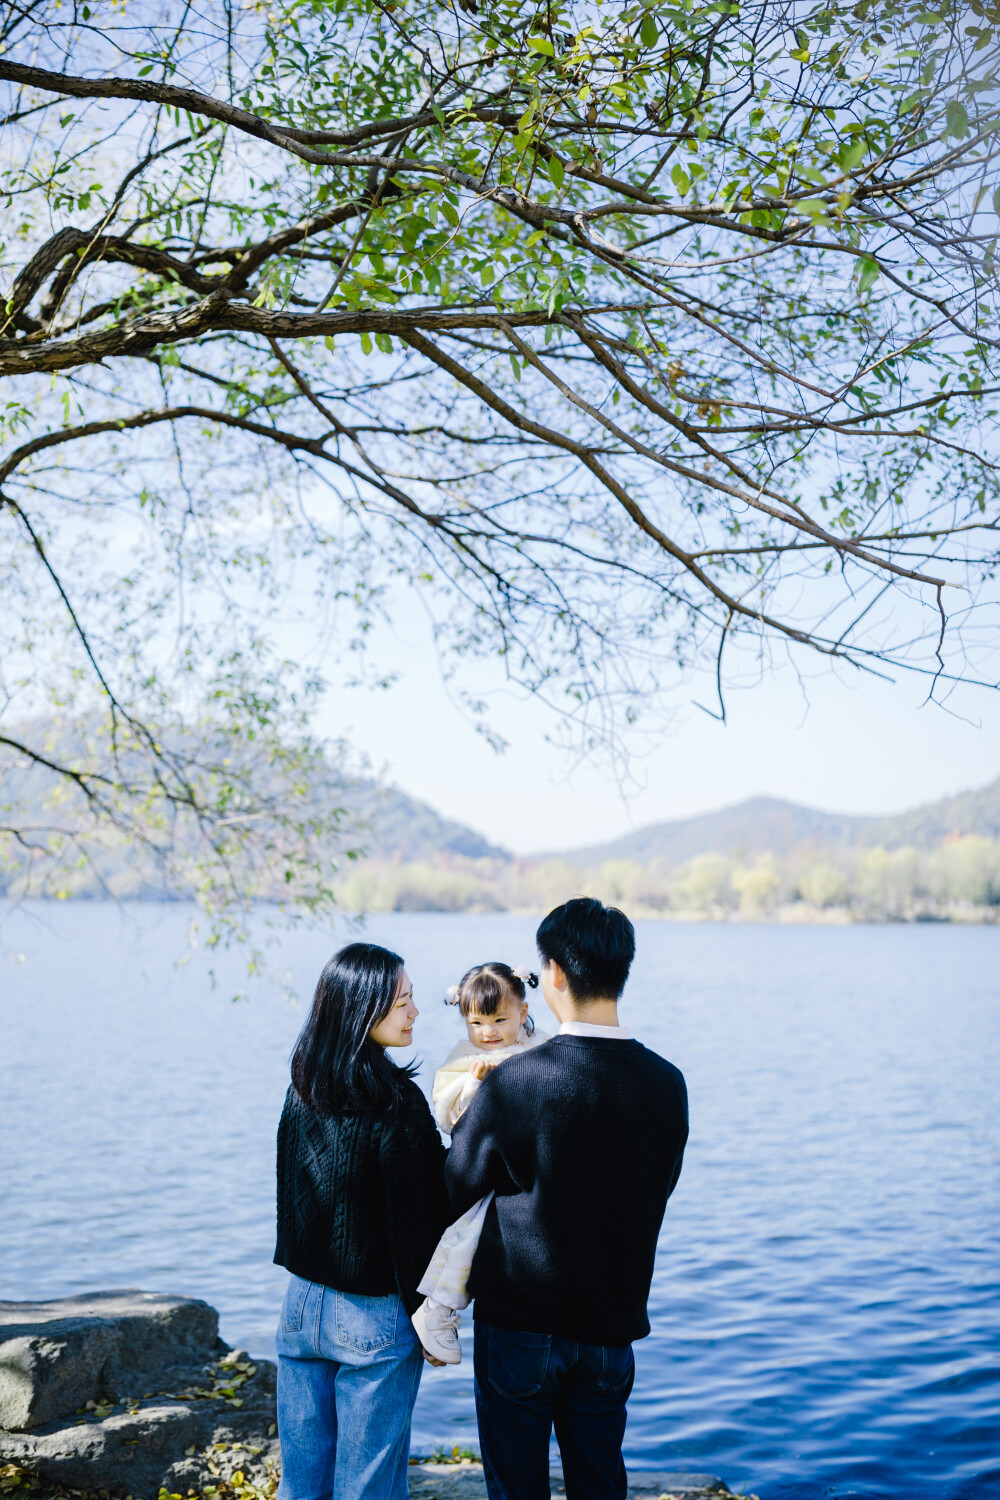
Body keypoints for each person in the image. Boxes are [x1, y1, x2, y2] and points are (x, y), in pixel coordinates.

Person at [445, 898, 689, 1500]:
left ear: (553, 973)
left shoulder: (515, 1081)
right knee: (600, 1480)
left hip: (520, 1324)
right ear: (621, 970)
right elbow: (661, 1184)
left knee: (517, 1487)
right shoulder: (668, 1083)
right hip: (612, 1325)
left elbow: (454, 1185)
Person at [273, 942, 449, 1500]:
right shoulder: (397, 1102)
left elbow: (292, 1197)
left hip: (301, 1304)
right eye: (402, 1002)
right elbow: (422, 1218)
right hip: (372, 1313)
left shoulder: (302, 1087)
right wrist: (428, 1315)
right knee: (367, 1488)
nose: (415, 1011)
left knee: (302, 1484)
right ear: (362, 1010)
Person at [411, 962, 550, 1364]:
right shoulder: (464, 1059)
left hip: (530, 1162)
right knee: (469, 1230)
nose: (488, 1032)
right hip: (486, 1163)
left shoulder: (541, 1046)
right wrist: (477, 1083)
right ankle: (440, 1305)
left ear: (522, 1013)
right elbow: (446, 1117)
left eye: (499, 1019)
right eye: (476, 1022)